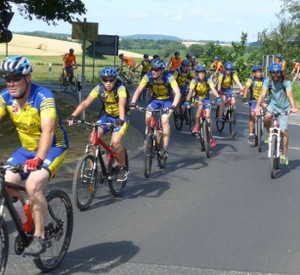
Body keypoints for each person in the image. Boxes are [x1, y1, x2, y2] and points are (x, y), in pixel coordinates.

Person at [0, 56, 69, 256]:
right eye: (7, 78)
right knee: (7, 182)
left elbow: (48, 131)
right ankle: (26, 223)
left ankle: (40, 236)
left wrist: (38, 159)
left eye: (16, 78)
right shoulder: (5, 98)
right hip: (25, 150)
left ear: (28, 77)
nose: (11, 83)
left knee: (32, 185)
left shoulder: (43, 97)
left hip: (53, 147)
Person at [67, 67, 129, 181]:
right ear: (102, 80)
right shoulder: (99, 88)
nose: (108, 83)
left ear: (115, 80)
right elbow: (86, 102)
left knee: (115, 142)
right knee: (93, 138)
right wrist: (73, 115)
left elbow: (121, 104)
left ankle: (123, 167)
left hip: (121, 117)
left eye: (111, 80)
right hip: (107, 117)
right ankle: (92, 169)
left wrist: (120, 119)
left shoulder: (120, 89)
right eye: (105, 80)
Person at [130, 59, 181, 157]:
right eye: (152, 69)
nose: (153, 71)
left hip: (168, 101)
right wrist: (133, 102)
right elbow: (138, 90)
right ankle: (149, 135)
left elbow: (178, 93)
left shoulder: (169, 77)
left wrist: (174, 106)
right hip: (155, 100)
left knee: (164, 119)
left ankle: (165, 147)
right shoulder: (148, 76)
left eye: (156, 70)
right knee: (148, 115)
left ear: (162, 70)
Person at [254, 63, 298, 165]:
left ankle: (284, 155)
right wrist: (257, 107)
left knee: (283, 131)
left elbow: (290, 96)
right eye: (273, 73)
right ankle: (270, 134)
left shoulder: (286, 83)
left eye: (277, 72)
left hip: (284, 108)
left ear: (280, 72)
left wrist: (293, 107)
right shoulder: (267, 81)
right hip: (272, 105)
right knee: (266, 117)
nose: (275, 75)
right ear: (270, 73)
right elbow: (262, 94)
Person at [185, 65, 221, 147]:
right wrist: (187, 101)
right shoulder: (194, 81)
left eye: (203, 73)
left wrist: (218, 97)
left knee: (208, 117)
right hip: (197, 98)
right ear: (197, 74)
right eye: (200, 73)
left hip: (206, 98)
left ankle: (210, 136)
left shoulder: (208, 80)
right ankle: (197, 125)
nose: (201, 74)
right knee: (200, 106)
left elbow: (213, 89)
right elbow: (190, 92)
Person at [243, 65, 267, 144]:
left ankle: (265, 122)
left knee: (268, 112)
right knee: (252, 115)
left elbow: (270, 88)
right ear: (254, 73)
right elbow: (246, 88)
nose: (259, 73)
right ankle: (251, 134)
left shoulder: (265, 79)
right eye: (257, 72)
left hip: (263, 100)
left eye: (260, 72)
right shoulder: (251, 80)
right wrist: (244, 97)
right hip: (253, 100)